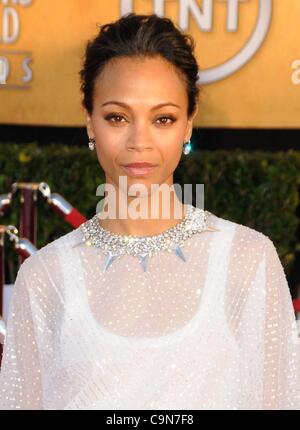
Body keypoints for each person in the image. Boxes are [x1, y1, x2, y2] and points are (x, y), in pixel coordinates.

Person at [0, 12, 300, 410]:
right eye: (117, 117)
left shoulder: (247, 260)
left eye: (163, 118)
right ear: (89, 120)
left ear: (188, 124)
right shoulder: (44, 278)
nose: (139, 141)